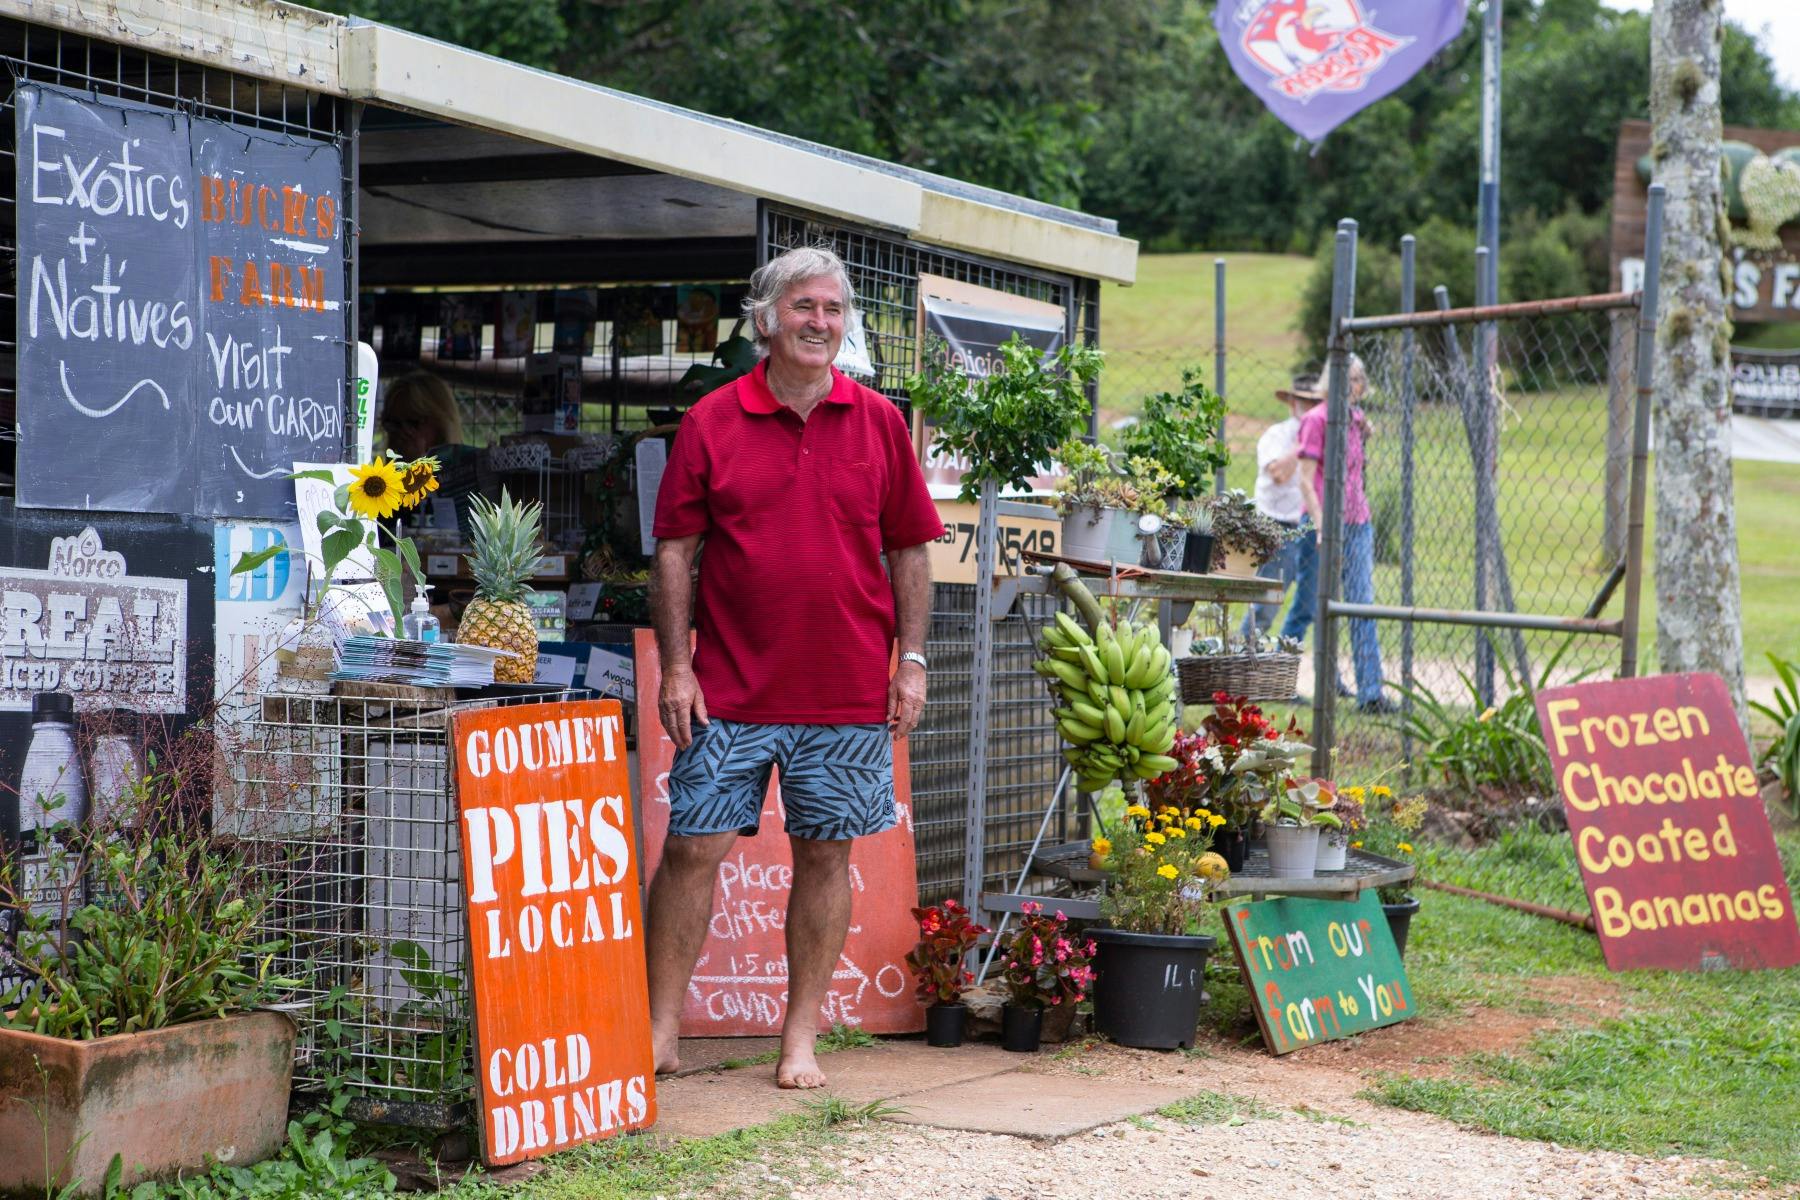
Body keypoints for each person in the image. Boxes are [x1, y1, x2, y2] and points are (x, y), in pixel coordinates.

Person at [645, 245, 945, 1090]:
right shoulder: (712, 420)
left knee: (824, 856)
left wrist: (909, 662)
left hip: (847, 692)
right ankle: (661, 1028)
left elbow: (910, 553)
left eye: (834, 309)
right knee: (692, 850)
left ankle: (799, 1040)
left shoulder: (881, 421)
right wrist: (677, 667)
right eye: (805, 307)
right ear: (767, 320)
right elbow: (676, 553)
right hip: (728, 690)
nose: (821, 323)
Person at [1285, 353, 1394, 713]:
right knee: (1307, 605)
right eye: (1351, 379)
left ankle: (1371, 694)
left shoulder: (1354, 419)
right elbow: (1304, 478)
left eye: (1360, 380)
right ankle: (1279, 681)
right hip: (1320, 524)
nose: (1357, 386)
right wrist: (1319, 524)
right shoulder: (1316, 421)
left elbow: (1357, 457)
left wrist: (1366, 430)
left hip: (1357, 522)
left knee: (1361, 604)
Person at [1240, 374, 1318, 641]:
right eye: (1304, 401)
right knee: (1266, 605)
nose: (1308, 408)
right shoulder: (1277, 434)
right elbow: (1278, 474)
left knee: (1309, 604)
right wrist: (1302, 445)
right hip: (1278, 525)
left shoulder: (1324, 433)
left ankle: (1285, 660)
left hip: (1309, 526)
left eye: (1315, 402)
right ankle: (1242, 655)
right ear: (1292, 403)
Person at [379, 372, 464, 460]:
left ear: (440, 423)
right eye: (393, 424)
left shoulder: (468, 468)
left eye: (413, 422)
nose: (402, 434)